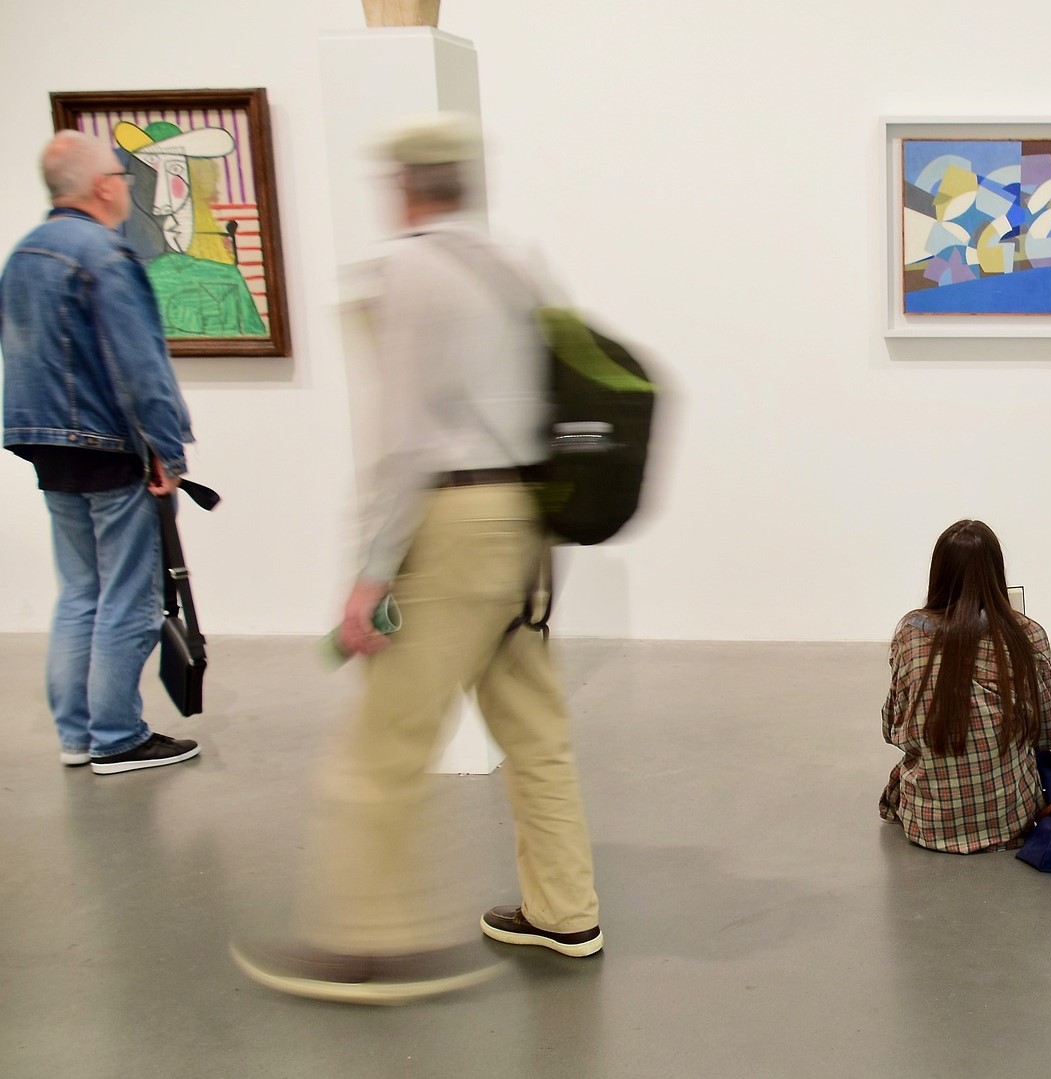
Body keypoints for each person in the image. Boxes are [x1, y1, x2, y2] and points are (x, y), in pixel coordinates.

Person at [233, 114, 601, 1005]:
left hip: (455, 519)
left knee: (384, 740)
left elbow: (402, 441)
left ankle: (370, 943)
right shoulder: (512, 266)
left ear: (403, 186)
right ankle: (566, 908)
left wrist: (370, 572)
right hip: (525, 523)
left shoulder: (407, 270)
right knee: (534, 728)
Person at [1, 131, 201, 776]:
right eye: (119, 172)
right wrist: (168, 451)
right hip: (109, 446)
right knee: (129, 597)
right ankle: (117, 734)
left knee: (81, 591)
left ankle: (78, 733)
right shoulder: (105, 256)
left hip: (47, 448)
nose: (124, 183)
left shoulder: (25, 254)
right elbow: (140, 369)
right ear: (102, 186)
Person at [881, 520, 1051, 853]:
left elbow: (893, 727)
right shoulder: (1028, 635)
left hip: (929, 825)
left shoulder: (910, 635)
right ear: (996, 573)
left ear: (939, 573)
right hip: (1012, 820)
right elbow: (1047, 732)